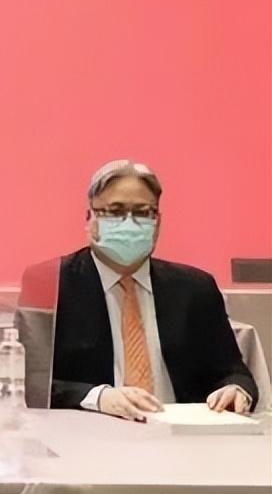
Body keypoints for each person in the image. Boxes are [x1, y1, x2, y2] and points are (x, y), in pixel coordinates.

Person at [49, 160, 257, 418]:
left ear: (157, 222)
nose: (129, 223)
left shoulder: (195, 288)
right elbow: (32, 384)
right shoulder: (52, 284)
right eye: (115, 211)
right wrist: (98, 397)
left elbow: (232, 371)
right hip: (89, 431)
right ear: (90, 219)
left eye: (142, 212)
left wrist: (235, 389)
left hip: (182, 432)